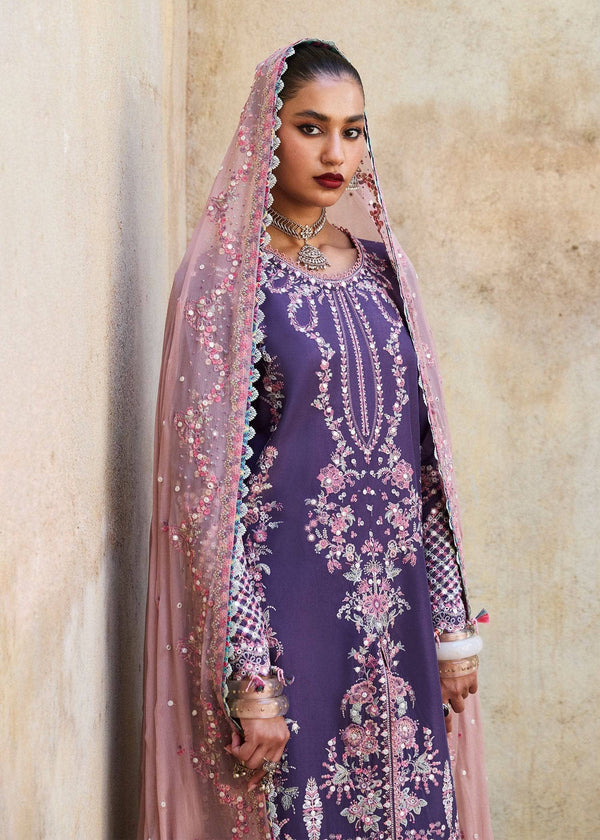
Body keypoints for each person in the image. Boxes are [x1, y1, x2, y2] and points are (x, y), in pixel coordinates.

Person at [138, 39, 493, 840]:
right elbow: (209, 500)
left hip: (398, 620)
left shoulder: (385, 272)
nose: (337, 153)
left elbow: (426, 469)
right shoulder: (225, 285)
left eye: (353, 131)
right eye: (311, 128)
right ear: (266, 134)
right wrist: (252, 673)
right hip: (288, 619)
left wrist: (450, 628)